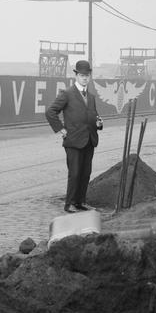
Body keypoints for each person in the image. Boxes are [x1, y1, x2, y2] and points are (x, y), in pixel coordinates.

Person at [45, 60, 103, 213]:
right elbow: (50, 112)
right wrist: (60, 129)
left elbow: (94, 115)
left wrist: (99, 123)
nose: (85, 78)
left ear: (90, 77)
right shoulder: (67, 94)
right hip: (73, 141)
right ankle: (69, 203)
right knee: (75, 173)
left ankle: (80, 202)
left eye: (87, 75)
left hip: (89, 140)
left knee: (85, 174)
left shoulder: (91, 97)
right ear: (76, 75)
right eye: (82, 75)